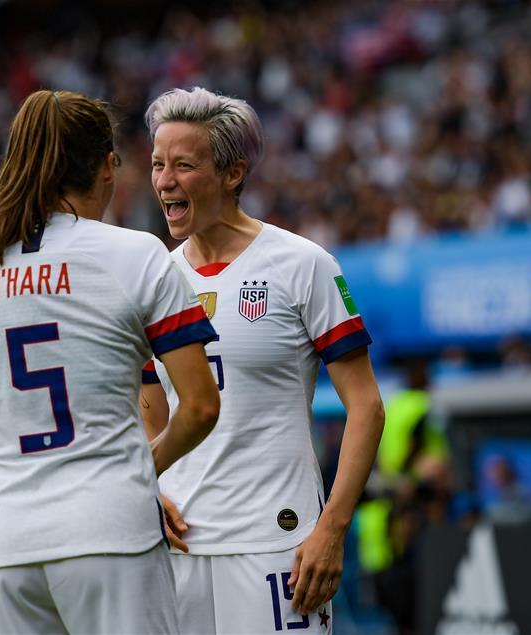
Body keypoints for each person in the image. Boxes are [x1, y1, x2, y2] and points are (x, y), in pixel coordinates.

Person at [0, 90, 220, 635]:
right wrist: (133, 478)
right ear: (107, 166)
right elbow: (200, 406)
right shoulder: (135, 255)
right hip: (111, 533)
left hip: (3, 544)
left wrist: (27, 495)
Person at [140, 87, 385, 634]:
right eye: (158, 165)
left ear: (233, 174)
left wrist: (332, 528)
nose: (165, 181)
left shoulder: (303, 265)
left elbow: (366, 406)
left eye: (184, 164)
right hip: (177, 548)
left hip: (277, 542)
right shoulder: (153, 278)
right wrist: (148, 490)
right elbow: (148, 405)